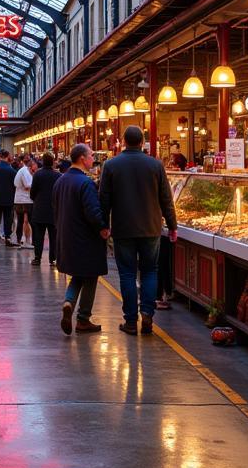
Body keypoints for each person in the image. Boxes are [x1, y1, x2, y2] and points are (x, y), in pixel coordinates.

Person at [100, 124, 178, 336]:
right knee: (150, 271)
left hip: (123, 228)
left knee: (126, 274)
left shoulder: (111, 165)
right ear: (142, 142)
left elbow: (104, 200)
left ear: (123, 141)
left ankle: (131, 321)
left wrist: (103, 226)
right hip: (151, 228)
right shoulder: (155, 165)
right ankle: (148, 315)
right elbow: (166, 199)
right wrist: (172, 226)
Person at [52, 143, 108, 335]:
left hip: (66, 236)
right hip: (86, 238)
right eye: (92, 155)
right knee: (91, 275)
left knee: (77, 274)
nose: (94, 159)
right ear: (83, 159)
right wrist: (102, 228)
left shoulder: (60, 181)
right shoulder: (86, 183)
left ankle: (69, 302)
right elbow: (93, 211)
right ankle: (83, 318)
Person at [29, 152, 59, 267]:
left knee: (38, 236)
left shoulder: (37, 174)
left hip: (39, 210)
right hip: (53, 210)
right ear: (53, 162)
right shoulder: (58, 176)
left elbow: (33, 192)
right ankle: (53, 259)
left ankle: (37, 258)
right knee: (53, 237)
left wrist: (36, 199)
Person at [13, 156, 35, 248]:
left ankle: (19, 240)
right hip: (25, 200)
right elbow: (28, 185)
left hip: (19, 199)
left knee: (21, 220)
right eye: (34, 169)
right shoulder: (25, 172)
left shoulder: (22, 170)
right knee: (27, 221)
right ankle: (27, 241)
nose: (34, 171)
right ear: (30, 166)